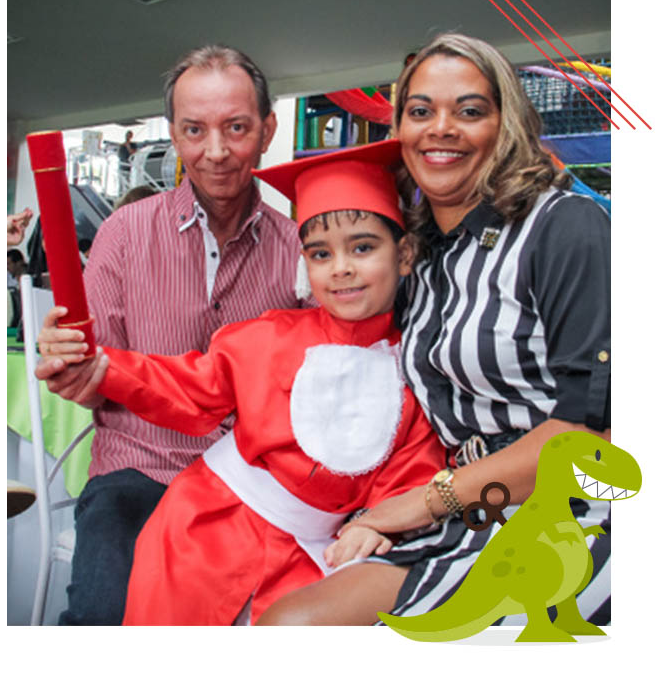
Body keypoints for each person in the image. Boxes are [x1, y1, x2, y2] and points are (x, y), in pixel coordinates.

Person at [256, 32, 611, 627]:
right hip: (468, 509)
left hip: (577, 507)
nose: (440, 128)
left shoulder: (564, 227)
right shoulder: (421, 257)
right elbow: (326, 317)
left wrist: (420, 503)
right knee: (284, 625)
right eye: (421, 111)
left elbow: (589, 434)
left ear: (507, 125)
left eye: (469, 111)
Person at [37, 140, 446, 625]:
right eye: (320, 253)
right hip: (204, 524)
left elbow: (411, 470)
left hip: (311, 546)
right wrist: (103, 366)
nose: (341, 268)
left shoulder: (416, 371)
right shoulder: (267, 338)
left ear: (404, 256)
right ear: (305, 265)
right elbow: (186, 385)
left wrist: (378, 523)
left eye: (363, 247)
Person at [35, 45, 305, 625]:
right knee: (105, 615)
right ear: (175, 137)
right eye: (194, 130)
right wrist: (67, 362)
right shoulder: (125, 233)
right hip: (138, 470)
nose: (215, 151)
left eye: (236, 128)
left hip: (252, 481)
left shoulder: (299, 250)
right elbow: (90, 383)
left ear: (266, 129)